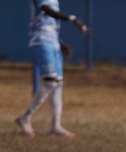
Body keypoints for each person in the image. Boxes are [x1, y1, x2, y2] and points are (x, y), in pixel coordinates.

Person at [16, 0, 88, 138]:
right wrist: (72, 18)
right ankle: (25, 117)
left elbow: (50, 22)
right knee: (50, 82)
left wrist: (60, 43)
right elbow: (45, 9)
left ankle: (56, 125)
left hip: (53, 43)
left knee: (58, 84)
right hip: (41, 41)